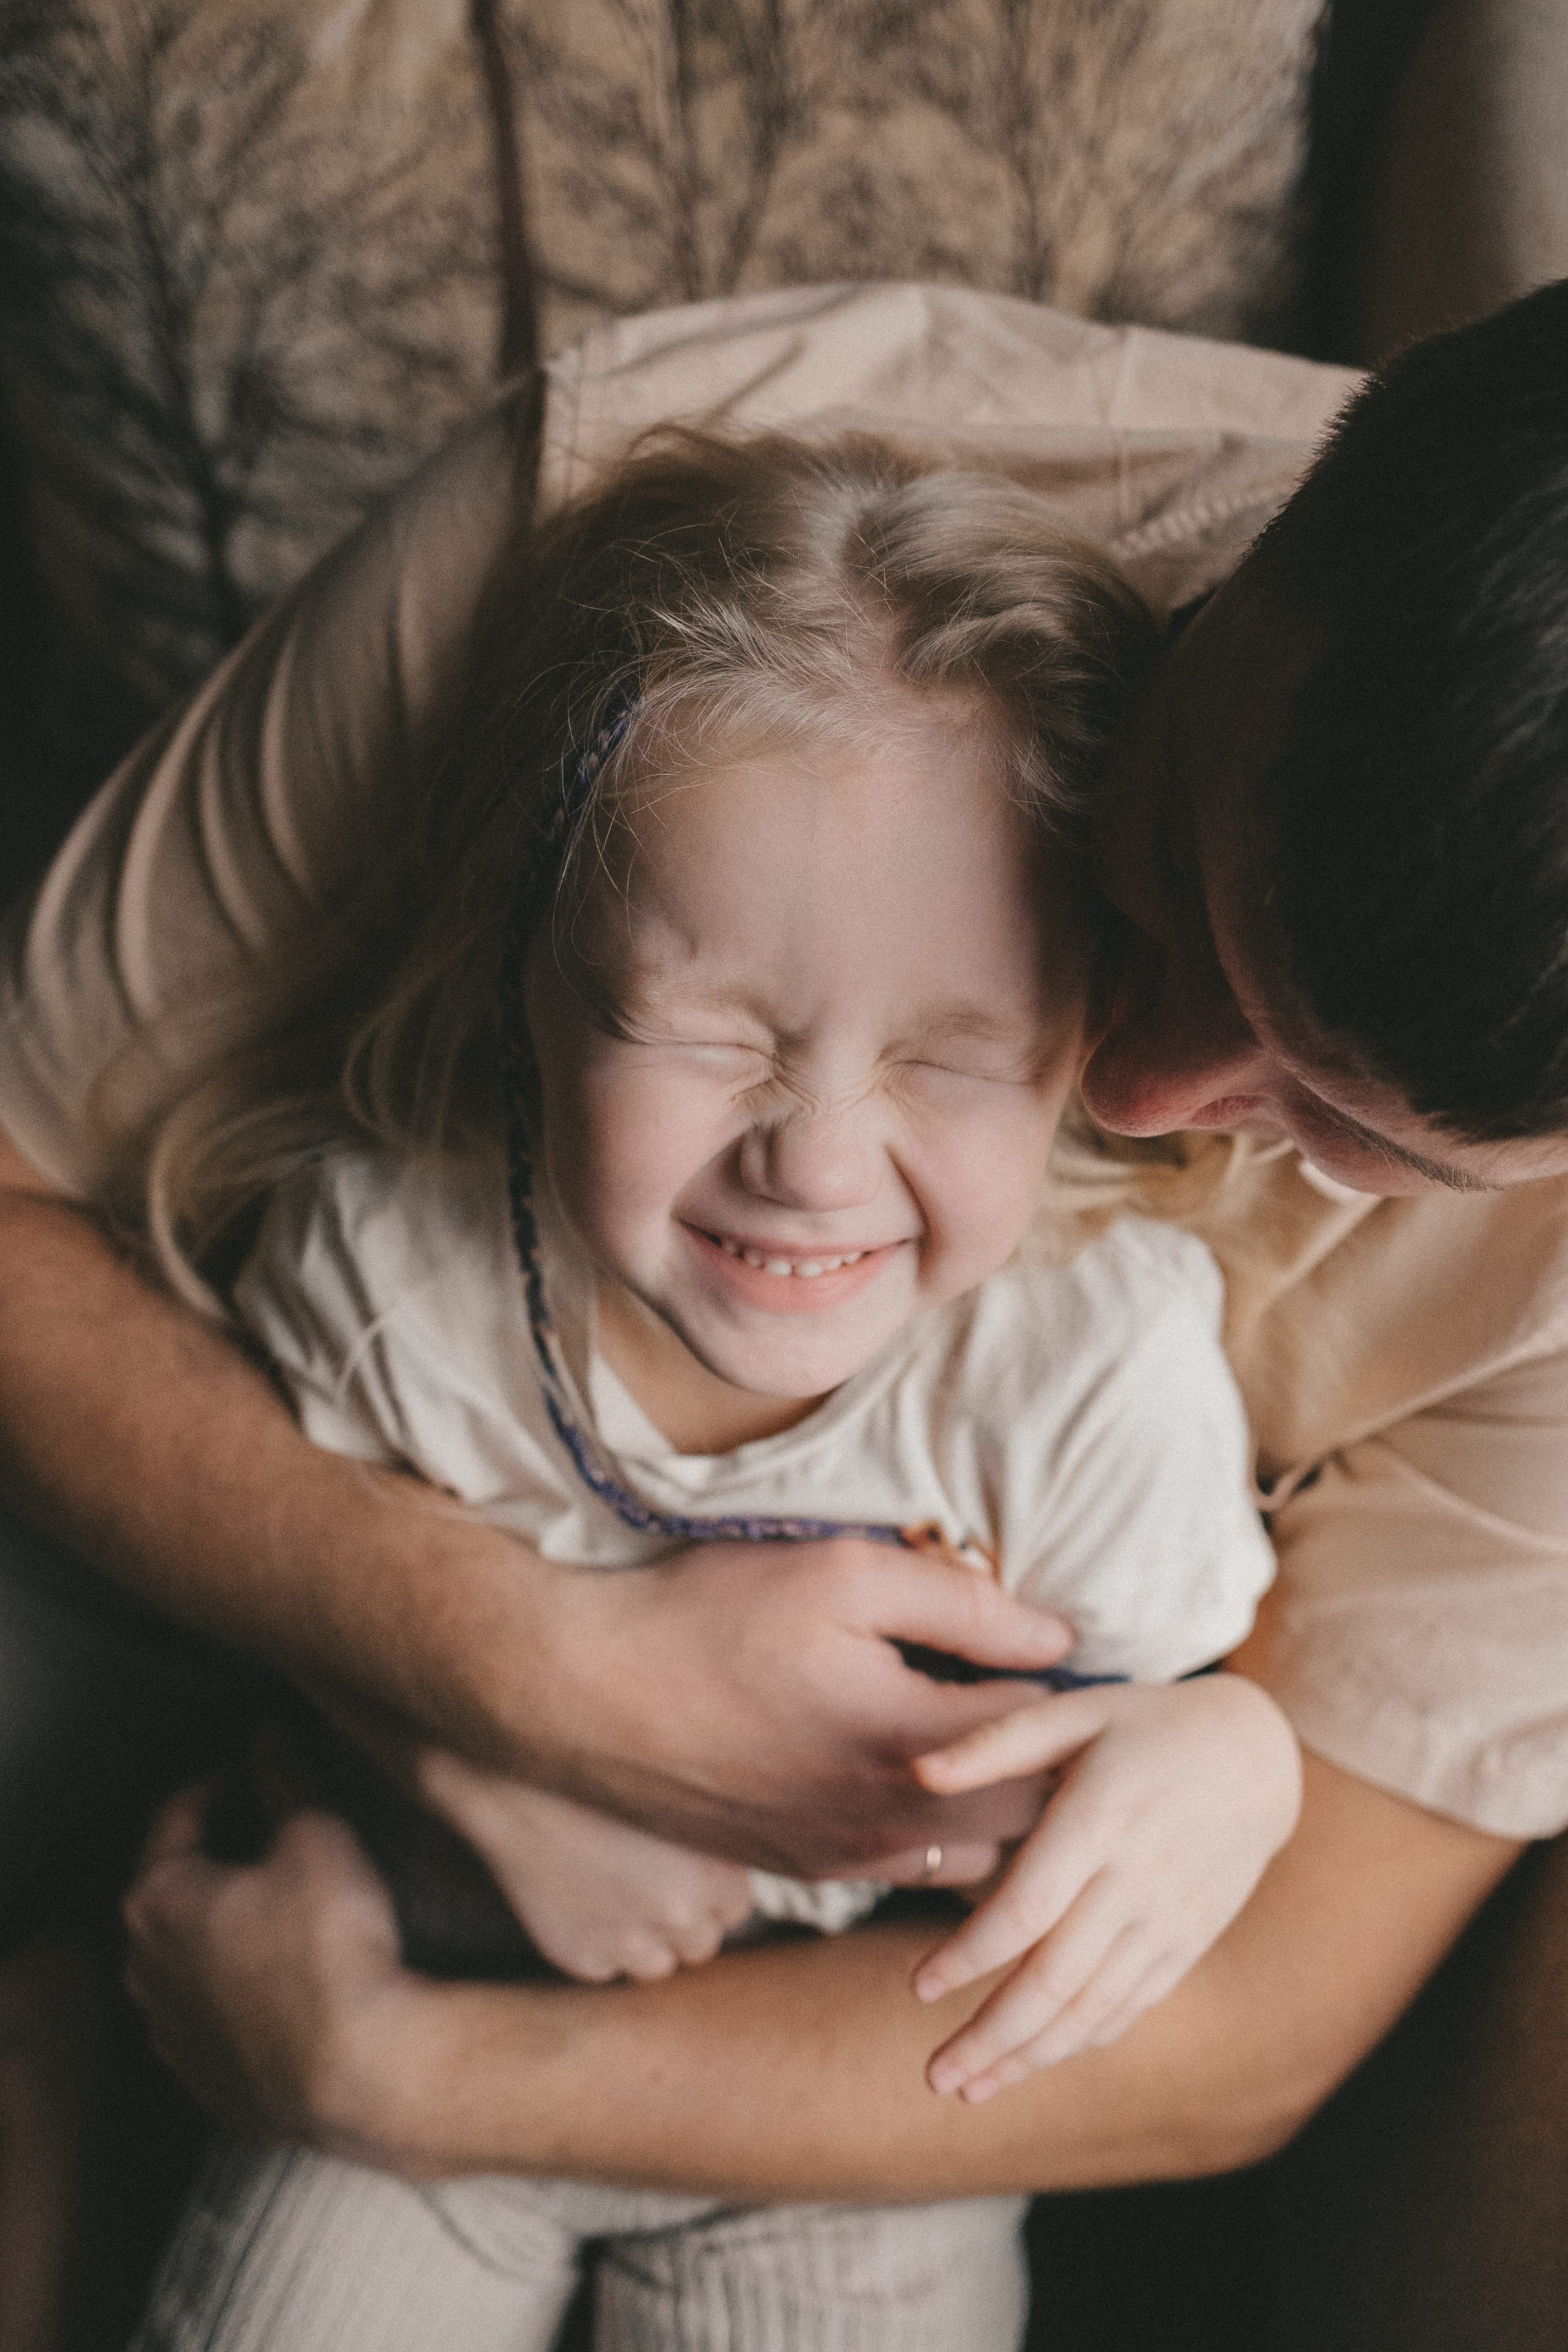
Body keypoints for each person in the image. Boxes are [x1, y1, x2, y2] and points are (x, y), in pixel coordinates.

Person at [4, 281, 1568, 2328]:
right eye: (1161, 872)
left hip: (816, 2031)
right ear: (1290, 531)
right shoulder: (635, 509)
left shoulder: (1095, 1388)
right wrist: (512, 1678)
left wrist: (381, 2070)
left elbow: (1253, 2008)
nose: (1135, 1092)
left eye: (1363, 1138)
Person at [125, 428, 1296, 2348]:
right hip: (417, 1996)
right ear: (529, 971)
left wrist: (1229, 1761)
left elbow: (1187, 1718)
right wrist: (479, 1783)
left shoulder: (1090, 1381)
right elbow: (289, 1597)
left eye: (951, 1055)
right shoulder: (388, 1281)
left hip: (854, 2102)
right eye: (707, 1034)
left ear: (1082, 1039)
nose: (815, 1165)